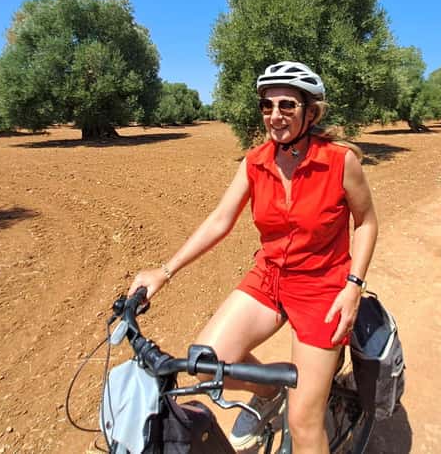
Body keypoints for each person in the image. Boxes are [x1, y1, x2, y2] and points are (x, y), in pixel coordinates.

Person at [128, 61, 378, 454]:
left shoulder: (339, 160)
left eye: (287, 105)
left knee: (303, 423)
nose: (275, 115)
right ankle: (269, 391)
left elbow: (365, 223)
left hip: (323, 289)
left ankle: (300, 409)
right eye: (267, 106)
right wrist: (164, 271)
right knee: (207, 361)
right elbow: (219, 221)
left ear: (309, 112)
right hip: (271, 277)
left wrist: (353, 286)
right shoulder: (255, 162)